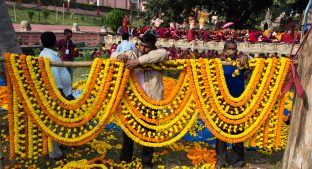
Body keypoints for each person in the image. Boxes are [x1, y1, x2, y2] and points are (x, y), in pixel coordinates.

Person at [111, 33, 168, 169]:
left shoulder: (158, 54)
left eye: (146, 47)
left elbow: (163, 54)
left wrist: (138, 62)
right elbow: (112, 55)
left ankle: (146, 162)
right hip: (134, 100)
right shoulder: (134, 52)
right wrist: (120, 56)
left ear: (153, 46)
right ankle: (125, 157)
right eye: (141, 45)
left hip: (151, 99)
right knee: (128, 130)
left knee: (149, 131)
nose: (142, 49)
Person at [39, 31, 75, 158]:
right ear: (55, 42)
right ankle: (55, 152)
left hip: (61, 93)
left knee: (59, 122)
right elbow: (54, 80)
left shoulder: (48, 54)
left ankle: (59, 143)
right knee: (54, 123)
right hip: (58, 95)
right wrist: (62, 97)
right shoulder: (49, 57)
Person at [215, 40, 248, 169]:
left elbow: (254, 63)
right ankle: (221, 160)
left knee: (238, 131)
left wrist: (245, 56)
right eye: (229, 48)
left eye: (234, 49)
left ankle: (238, 160)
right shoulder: (218, 62)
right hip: (222, 102)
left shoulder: (242, 61)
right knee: (221, 132)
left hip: (239, 101)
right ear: (224, 50)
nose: (231, 51)